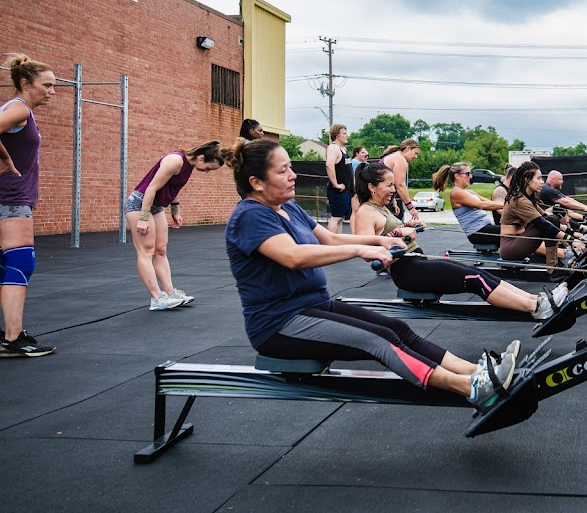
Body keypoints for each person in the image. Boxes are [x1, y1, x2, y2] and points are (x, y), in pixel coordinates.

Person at [222, 138, 517, 411]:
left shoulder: (288, 207)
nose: (293, 175)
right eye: (284, 170)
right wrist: (361, 251)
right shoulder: (250, 215)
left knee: (397, 330)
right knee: (378, 340)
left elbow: (333, 239)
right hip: (279, 324)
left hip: (313, 307)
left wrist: (379, 241)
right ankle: (470, 388)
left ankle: (476, 371)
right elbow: (291, 256)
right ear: (256, 182)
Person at [354, 161, 565, 319]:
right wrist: (397, 234)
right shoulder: (365, 212)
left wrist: (406, 227)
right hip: (406, 270)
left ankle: (537, 299)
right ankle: (535, 309)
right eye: (389, 185)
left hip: (416, 261)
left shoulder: (380, 208)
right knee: (474, 279)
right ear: (372, 187)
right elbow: (366, 250)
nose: (394, 189)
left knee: (479, 273)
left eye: (393, 184)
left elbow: (385, 234)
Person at [124, 141, 225, 310]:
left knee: (161, 250)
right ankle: (157, 298)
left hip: (156, 206)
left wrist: (175, 211)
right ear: (201, 157)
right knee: (146, 251)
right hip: (140, 204)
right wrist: (143, 217)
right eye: (208, 168)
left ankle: (170, 293)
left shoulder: (189, 166)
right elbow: (151, 188)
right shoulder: (175, 161)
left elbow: (173, 188)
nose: (207, 172)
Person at [0, 53, 56, 357]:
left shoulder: (17, 110)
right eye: (46, 85)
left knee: (3, 266)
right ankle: (12, 338)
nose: (51, 91)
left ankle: (8, 334)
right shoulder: (19, 109)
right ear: (25, 83)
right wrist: (7, 159)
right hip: (10, 198)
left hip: (9, 197)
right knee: (21, 263)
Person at [500, 161, 584, 271]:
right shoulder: (519, 200)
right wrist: (572, 240)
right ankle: (554, 265)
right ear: (527, 179)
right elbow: (543, 224)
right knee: (548, 222)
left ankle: (554, 265)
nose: (542, 182)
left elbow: (547, 219)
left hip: (518, 241)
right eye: (538, 178)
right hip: (510, 247)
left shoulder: (528, 198)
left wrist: (571, 236)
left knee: (553, 219)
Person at [432, 162, 502, 246]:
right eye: (467, 174)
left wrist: (510, 204)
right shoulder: (456, 192)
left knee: (514, 229)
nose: (471, 176)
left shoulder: (469, 192)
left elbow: (489, 203)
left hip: (484, 228)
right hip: (477, 232)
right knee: (513, 231)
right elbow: (481, 205)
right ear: (457, 176)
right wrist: (507, 205)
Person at [380, 138, 420, 223]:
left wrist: (393, 201)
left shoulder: (394, 156)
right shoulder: (400, 160)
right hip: (380, 199)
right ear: (408, 148)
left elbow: (391, 183)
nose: (415, 157)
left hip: (380, 198)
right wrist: (411, 207)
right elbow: (400, 185)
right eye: (415, 153)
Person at [324, 124, 353, 233]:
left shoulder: (343, 149)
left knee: (340, 218)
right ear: (337, 135)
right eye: (344, 133)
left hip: (346, 190)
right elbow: (329, 165)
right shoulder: (333, 148)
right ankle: (330, 242)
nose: (347, 136)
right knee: (336, 217)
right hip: (338, 190)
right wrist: (335, 184)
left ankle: (337, 241)